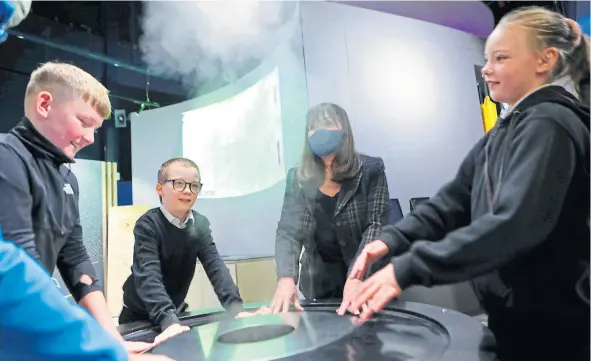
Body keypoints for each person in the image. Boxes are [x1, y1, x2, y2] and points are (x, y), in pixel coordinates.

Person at [338, 7, 590, 361]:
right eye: (487, 58)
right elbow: (448, 205)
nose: (487, 68)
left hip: (555, 330)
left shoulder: (551, 124)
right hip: (513, 321)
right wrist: (389, 241)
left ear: (544, 60)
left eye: (501, 58)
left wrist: (407, 269)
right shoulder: (502, 132)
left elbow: (513, 226)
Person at [0, 61, 152, 353]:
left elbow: (76, 261)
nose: (90, 138)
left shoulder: (67, 179)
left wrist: (114, 342)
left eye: (96, 128)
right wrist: (99, 353)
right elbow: (19, 270)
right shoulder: (7, 159)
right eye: (84, 122)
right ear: (44, 104)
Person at [120, 158, 256, 344]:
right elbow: (149, 276)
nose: (187, 190)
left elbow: (215, 267)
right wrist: (167, 320)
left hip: (175, 312)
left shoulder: (199, 224)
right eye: (179, 184)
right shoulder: (148, 225)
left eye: (194, 185)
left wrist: (236, 308)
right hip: (139, 316)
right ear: (160, 189)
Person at [271, 103, 390, 313]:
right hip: (319, 288)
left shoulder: (371, 170)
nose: (318, 132)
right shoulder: (297, 177)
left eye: (326, 124)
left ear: (343, 130)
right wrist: (286, 277)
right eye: (313, 127)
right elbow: (288, 232)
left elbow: (376, 225)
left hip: (366, 281)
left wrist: (357, 275)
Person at [0, 232, 173, 361]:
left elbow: (75, 256)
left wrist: (114, 342)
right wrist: (110, 354)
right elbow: (11, 274)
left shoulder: (68, 185)